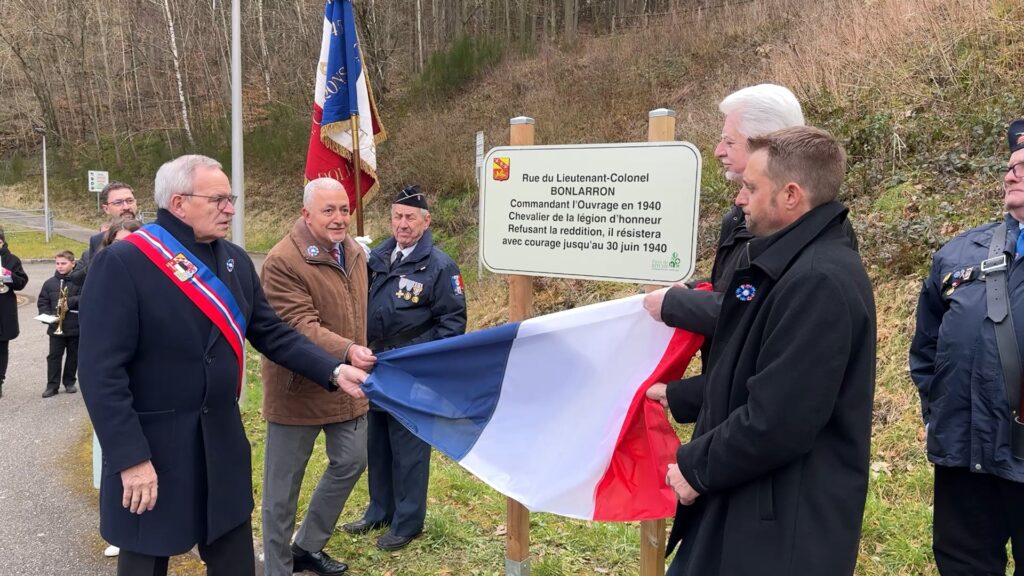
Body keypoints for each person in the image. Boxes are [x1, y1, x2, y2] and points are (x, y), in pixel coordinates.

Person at [79, 154, 370, 576]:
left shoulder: (233, 261)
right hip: (154, 449)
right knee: (145, 562)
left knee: (234, 561)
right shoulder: (124, 263)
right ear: (179, 203)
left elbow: (273, 333)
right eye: (219, 199)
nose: (231, 208)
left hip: (220, 444)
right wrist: (130, 458)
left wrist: (333, 369)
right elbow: (100, 372)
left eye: (229, 198)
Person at [656, 127, 875, 575]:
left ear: (791, 195)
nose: (740, 199)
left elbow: (779, 419)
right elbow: (752, 366)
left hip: (778, 531)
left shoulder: (818, 282)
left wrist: (697, 467)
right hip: (747, 507)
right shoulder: (780, 266)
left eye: (751, 188)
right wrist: (678, 396)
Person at [909, 119, 1024, 575]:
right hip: (965, 455)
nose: (1012, 173)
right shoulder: (959, 254)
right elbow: (926, 348)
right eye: (1011, 164)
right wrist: (938, 413)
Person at [343, 184, 467, 551]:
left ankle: (408, 522)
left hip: (411, 371)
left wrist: (413, 355)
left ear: (426, 221)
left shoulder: (441, 266)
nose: (402, 224)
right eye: (397, 216)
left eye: (410, 217)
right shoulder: (379, 256)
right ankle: (380, 510)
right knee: (377, 443)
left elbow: (452, 324)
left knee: (408, 448)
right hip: (375, 366)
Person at [260, 178, 372, 576]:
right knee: (282, 490)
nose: (340, 218)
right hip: (298, 391)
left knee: (352, 460)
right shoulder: (282, 261)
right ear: (306, 214)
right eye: (329, 210)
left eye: (344, 209)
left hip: (349, 385)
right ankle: (276, 567)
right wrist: (345, 350)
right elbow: (296, 326)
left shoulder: (353, 250)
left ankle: (307, 546)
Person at [38, 250, 81, 398]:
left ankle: (69, 382)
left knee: (73, 356)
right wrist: (47, 316)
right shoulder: (49, 283)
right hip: (55, 327)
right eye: (57, 263)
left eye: (64, 263)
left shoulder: (79, 282)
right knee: (54, 356)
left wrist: (70, 302)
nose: (60, 266)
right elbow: (43, 302)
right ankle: (52, 385)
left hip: (75, 326)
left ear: (73, 263)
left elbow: (86, 298)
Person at [0, 228, 28, 399]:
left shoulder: (11, 260)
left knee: (2, 346)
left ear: (1, 241)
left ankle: (0, 380)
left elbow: (21, 282)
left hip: (3, 309)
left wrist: (8, 275)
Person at [83, 181, 137, 265]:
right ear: (106, 209)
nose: (126, 207)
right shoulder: (97, 241)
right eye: (118, 203)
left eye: (130, 201)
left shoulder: (153, 234)